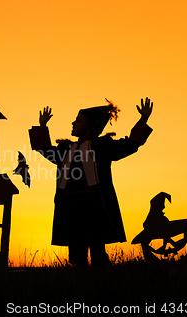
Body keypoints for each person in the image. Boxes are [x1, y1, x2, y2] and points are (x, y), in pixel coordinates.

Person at [29, 98, 153, 266]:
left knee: (97, 250)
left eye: (78, 120)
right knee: (76, 253)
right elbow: (45, 150)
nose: (73, 123)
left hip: (95, 208)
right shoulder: (66, 150)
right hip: (69, 208)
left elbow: (130, 144)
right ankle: (80, 282)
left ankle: (99, 281)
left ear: (91, 127)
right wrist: (42, 126)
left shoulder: (101, 147)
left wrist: (143, 119)